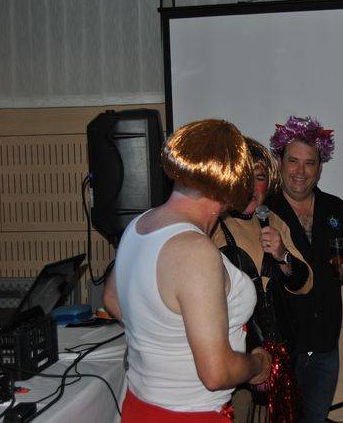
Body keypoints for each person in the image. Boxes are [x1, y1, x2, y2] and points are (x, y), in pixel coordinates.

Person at [103, 119, 272, 423]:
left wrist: (165, 342)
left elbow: (112, 300)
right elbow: (216, 373)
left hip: (139, 405)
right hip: (189, 415)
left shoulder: (139, 225)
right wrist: (257, 364)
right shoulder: (195, 250)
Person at [265, 116, 343, 422]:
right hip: (281, 349)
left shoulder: (336, 208)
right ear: (279, 162)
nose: (301, 171)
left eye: (309, 163)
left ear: (320, 168)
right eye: (293, 161)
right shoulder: (263, 210)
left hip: (325, 345)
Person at [212, 137, 313, 422]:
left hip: (280, 354)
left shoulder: (274, 222)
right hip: (233, 355)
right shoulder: (211, 224)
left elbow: (305, 283)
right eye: (243, 177)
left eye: (258, 178)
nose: (250, 187)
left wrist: (282, 255)